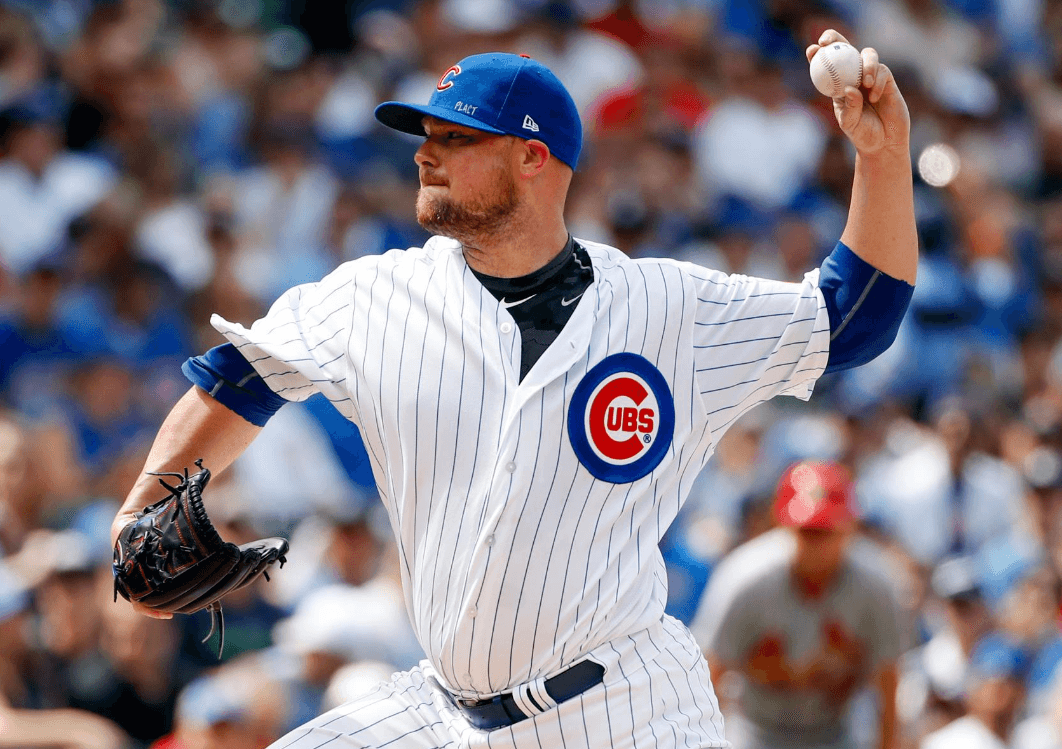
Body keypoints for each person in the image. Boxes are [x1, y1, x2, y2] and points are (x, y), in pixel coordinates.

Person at [112, 29, 916, 749]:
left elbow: (855, 316)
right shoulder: (373, 298)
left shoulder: (668, 309)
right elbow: (238, 376)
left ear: (533, 158)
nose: (425, 155)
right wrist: (143, 505)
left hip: (626, 711)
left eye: (456, 138)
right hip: (443, 710)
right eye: (426, 136)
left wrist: (883, 155)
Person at [690, 460, 907, 749]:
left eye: (825, 531)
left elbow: (888, 680)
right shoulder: (744, 579)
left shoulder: (876, 584)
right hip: (756, 729)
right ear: (782, 525)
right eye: (807, 531)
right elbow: (708, 675)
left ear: (850, 527)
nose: (816, 544)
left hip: (837, 730)